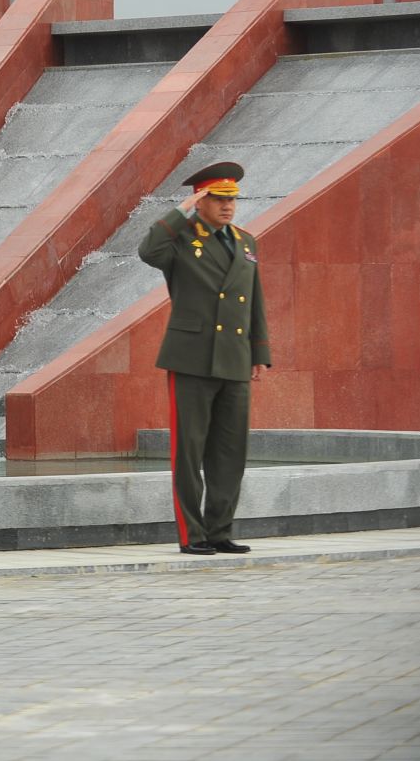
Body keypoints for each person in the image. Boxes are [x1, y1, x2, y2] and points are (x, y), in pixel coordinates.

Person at [138, 160, 270, 555]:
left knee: (230, 452)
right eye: (217, 199)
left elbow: (256, 300)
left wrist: (259, 352)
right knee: (189, 451)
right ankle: (191, 535)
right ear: (200, 201)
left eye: (232, 199)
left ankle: (219, 531)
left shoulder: (246, 241)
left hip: (234, 357)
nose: (228, 207)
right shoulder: (180, 239)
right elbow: (148, 250)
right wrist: (180, 212)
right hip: (192, 358)